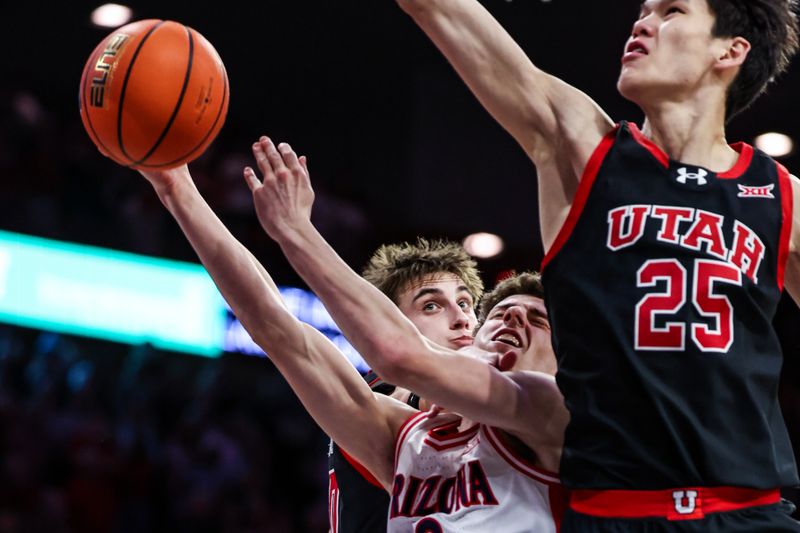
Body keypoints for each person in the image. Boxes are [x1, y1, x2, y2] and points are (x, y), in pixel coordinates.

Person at [379, 0, 800, 530]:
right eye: (642, 10)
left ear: (731, 49)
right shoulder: (584, 150)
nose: (642, 22)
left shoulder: (781, 197)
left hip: (749, 512)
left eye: (671, 11)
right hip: (613, 512)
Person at [135, 145, 567, 531]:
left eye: (538, 321)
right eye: (503, 313)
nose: (466, 319)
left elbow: (402, 354)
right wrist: (177, 188)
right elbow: (278, 330)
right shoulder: (404, 432)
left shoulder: (565, 417)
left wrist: (297, 232)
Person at [328, 238, 485, 533]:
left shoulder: (374, 387)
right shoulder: (398, 398)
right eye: (431, 306)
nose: (462, 318)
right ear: (392, 325)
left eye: (464, 303)